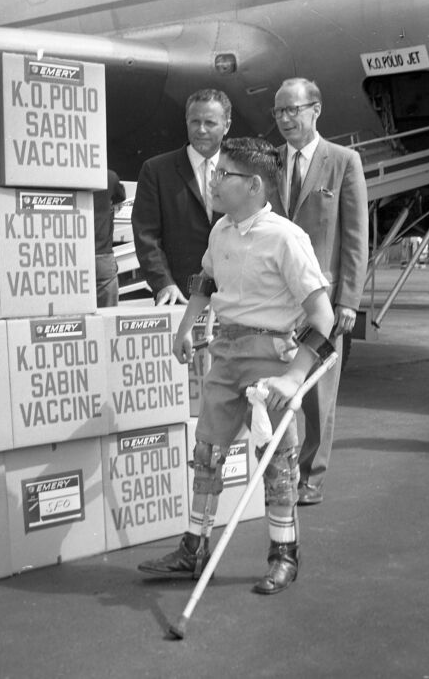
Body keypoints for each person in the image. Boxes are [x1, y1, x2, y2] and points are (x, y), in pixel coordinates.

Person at [137, 137, 335, 594]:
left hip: (271, 360)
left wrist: (292, 376)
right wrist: (187, 325)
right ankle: (193, 548)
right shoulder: (220, 230)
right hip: (225, 354)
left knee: (277, 461)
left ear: (254, 186)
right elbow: (206, 281)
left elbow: (323, 318)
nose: (213, 179)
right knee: (207, 455)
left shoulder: (287, 238)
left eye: (224, 174)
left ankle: (283, 554)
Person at [269, 77, 368, 505]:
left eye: (294, 110)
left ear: (316, 109)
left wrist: (348, 299)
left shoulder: (344, 161)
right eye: (279, 112)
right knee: (274, 387)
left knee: (317, 394)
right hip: (275, 299)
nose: (287, 119)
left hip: (322, 304)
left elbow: (355, 237)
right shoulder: (269, 162)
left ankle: (312, 476)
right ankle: (280, 471)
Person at [131, 89, 231, 305]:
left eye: (210, 123)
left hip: (235, 297)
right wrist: (164, 283)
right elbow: (146, 235)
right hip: (178, 297)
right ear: (186, 122)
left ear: (227, 126)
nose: (201, 130)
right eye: (195, 122)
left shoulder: (243, 169)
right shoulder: (156, 171)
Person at [93, 169, 126, 307]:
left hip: (69, 257)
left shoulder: (60, 176)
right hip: (102, 255)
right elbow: (120, 196)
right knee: (108, 318)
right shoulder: (109, 176)